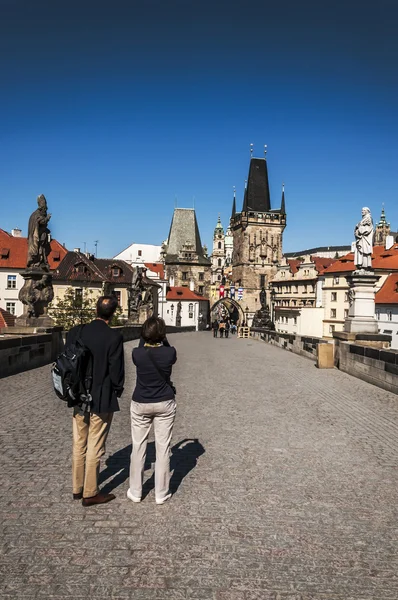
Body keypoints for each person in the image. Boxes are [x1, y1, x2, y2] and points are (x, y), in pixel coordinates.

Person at [67, 296, 125, 507]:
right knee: (95, 445)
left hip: (78, 397)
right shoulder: (114, 337)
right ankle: (90, 492)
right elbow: (116, 372)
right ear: (113, 313)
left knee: (79, 443)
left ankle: (77, 487)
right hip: (101, 397)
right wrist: (118, 390)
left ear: (96, 310)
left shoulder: (77, 331)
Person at [128, 317, 177, 505]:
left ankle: (136, 491)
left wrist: (145, 337)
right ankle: (161, 493)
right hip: (164, 402)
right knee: (163, 448)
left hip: (141, 402)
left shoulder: (137, 354)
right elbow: (167, 347)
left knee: (138, 446)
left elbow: (142, 347)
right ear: (163, 335)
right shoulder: (170, 353)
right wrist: (162, 338)